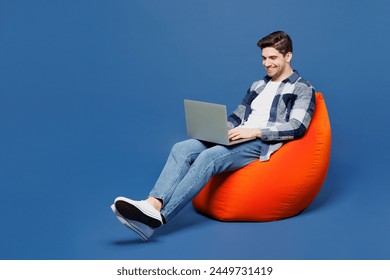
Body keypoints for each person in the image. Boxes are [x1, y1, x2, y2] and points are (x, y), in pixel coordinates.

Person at [111, 31, 316, 241]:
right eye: (264, 58)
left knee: (209, 157)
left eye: (273, 58)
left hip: (260, 142)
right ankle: (152, 203)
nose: (267, 63)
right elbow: (238, 116)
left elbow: (297, 127)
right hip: (238, 135)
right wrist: (219, 130)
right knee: (181, 148)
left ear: (288, 56)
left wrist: (254, 131)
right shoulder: (258, 86)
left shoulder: (302, 88)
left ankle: (159, 218)